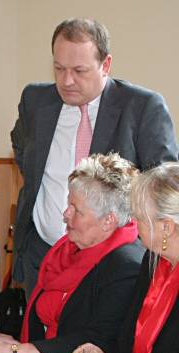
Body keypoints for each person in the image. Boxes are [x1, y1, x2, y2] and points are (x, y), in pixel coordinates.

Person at [12, 17, 177, 297]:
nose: (66, 81)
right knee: (37, 338)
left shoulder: (142, 107)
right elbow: (23, 153)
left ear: (106, 65)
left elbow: (160, 187)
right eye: (59, 68)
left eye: (79, 70)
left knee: (96, 340)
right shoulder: (35, 101)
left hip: (112, 263)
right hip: (42, 256)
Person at [0, 153, 144, 353]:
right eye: (68, 204)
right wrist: (11, 344)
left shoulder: (127, 266)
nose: (66, 214)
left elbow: (98, 340)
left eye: (77, 210)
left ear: (108, 221)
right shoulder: (64, 251)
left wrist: (18, 350)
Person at [45, 162, 179, 353]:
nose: (135, 225)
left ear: (166, 227)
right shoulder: (154, 262)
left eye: (141, 219)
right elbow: (134, 342)